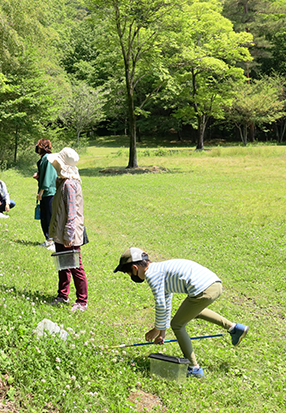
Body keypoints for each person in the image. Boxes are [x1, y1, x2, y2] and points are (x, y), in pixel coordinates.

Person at [113, 247, 250, 378]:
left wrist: (156, 329)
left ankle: (194, 368)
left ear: (135, 268)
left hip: (203, 289)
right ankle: (234, 328)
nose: (131, 276)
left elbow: (160, 305)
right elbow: (167, 299)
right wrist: (162, 332)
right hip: (214, 284)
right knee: (191, 312)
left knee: (177, 324)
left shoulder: (152, 275)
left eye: (129, 273)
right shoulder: (159, 269)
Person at [47, 147, 88, 312]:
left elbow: (72, 213)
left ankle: (82, 301)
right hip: (61, 231)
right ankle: (63, 295)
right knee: (63, 264)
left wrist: (68, 235)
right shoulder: (63, 181)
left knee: (75, 266)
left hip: (68, 233)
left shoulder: (70, 184)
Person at [34, 139, 57, 251]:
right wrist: (39, 175)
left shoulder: (48, 159)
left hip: (48, 192)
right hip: (48, 191)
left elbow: (48, 176)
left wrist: (41, 192)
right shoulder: (46, 158)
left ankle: (51, 241)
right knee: (45, 215)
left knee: (48, 216)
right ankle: (49, 239)